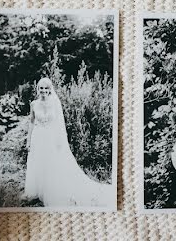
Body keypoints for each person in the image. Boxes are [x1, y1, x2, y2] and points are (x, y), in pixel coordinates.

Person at [22, 77, 114, 207]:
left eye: (46, 88)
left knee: (50, 164)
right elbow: (31, 123)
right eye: (41, 88)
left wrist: (59, 141)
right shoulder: (34, 104)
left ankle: (50, 191)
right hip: (38, 137)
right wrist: (29, 140)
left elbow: (60, 124)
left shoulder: (55, 103)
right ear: (38, 89)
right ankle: (37, 191)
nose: (43, 90)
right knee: (38, 162)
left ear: (50, 90)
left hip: (50, 138)